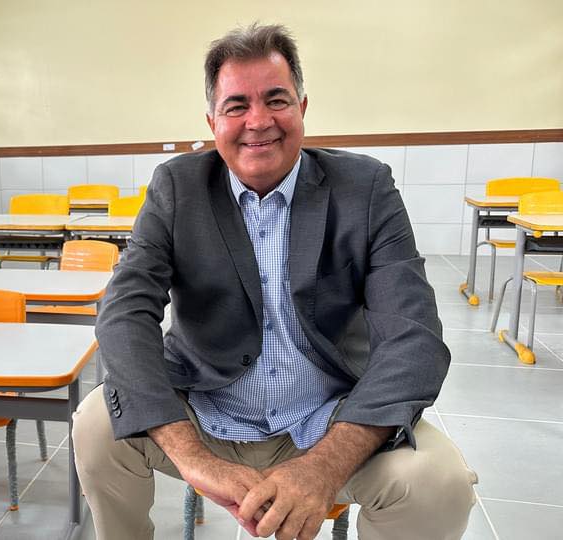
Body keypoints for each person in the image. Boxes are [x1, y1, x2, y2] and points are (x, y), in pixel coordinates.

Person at [72, 24, 478, 540]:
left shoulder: (365, 188)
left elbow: (413, 337)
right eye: (236, 105)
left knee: (440, 482)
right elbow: (125, 314)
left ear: (302, 107)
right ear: (212, 122)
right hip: (206, 412)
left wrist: (324, 467)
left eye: (276, 100)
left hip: (329, 419)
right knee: (96, 425)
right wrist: (192, 457)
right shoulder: (177, 188)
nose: (258, 121)